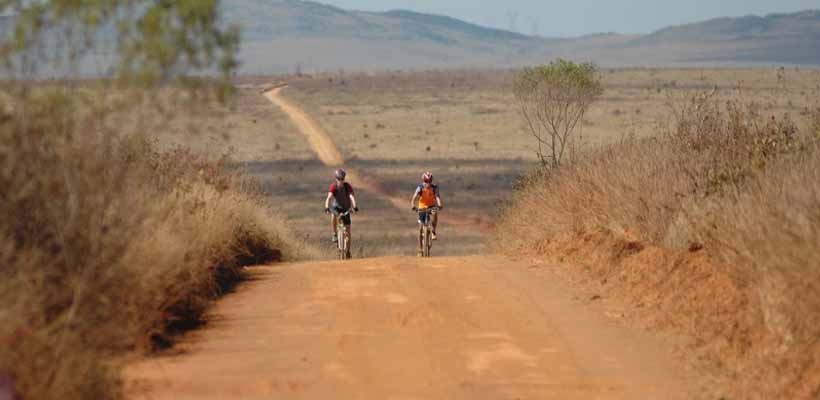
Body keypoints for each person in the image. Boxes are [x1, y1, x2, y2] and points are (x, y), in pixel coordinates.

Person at [324, 169, 358, 251]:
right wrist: (327, 207)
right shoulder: (334, 186)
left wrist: (355, 206)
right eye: (339, 179)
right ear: (336, 179)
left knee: (348, 231)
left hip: (346, 208)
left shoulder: (347, 186)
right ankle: (334, 234)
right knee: (333, 215)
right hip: (337, 208)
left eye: (342, 179)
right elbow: (329, 198)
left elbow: (351, 196)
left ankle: (348, 251)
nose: (341, 181)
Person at [410, 171, 443, 256]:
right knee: (420, 229)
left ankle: (433, 231)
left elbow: (437, 197)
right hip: (422, 207)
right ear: (423, 180)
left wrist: (439, 204)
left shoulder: (434, 188)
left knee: (435, 213)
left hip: (431, 206)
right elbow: (414, 197)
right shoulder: (420, 187)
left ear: (431, 181)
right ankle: (420, 249)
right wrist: (413, 205)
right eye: (426, 181)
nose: (427, 183)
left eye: (429, 181)